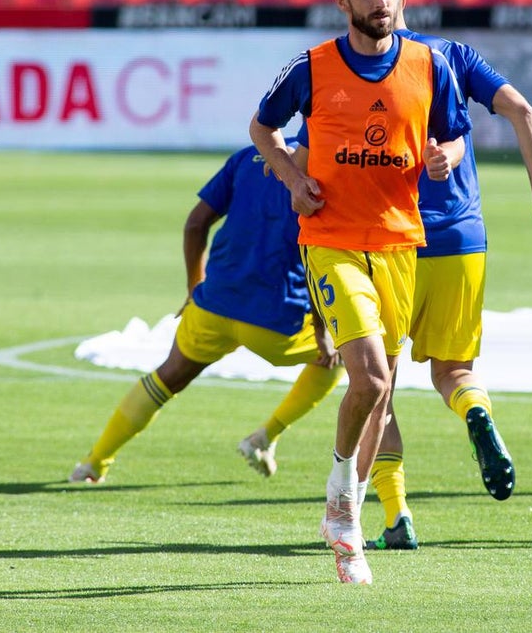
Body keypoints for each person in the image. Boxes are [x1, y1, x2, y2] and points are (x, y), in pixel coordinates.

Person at [249, 0, 468, 585]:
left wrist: (446, 158)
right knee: (369, 376)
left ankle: (342, 505)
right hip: (332, 239)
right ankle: (344, 510)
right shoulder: (312, 68)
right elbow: (263, 127)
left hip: (400, 242)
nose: (381, 0)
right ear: (342, 0)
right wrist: (291, 175)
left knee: (382, 390)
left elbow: (455, 133)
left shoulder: (430, 65)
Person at [363, 0, 532, 551]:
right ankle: (477, 412)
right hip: (462, 238)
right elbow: (524, 111)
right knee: (454, 372)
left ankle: (396, 517)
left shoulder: (367, 64)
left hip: (395, 240)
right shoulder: (455, 54)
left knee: (376, 389)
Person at [69, 143, 345, 485]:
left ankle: (93, 463)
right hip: (275, 323)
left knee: (167, 378)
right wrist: (323, 331)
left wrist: (193, 292)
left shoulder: (249, 156)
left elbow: (195, 224)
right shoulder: (326, 170)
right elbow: (315, 259)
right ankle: (265, 436)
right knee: (347, 352)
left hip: (212, 305)